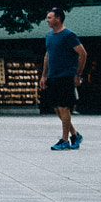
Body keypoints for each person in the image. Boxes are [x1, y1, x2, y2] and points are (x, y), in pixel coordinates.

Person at [40, 8, 87, 148]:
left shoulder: (68, 35)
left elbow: (83, 54)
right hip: (53, 75)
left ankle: (65, 140)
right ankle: (75, 134)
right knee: (57, 107)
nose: (47, 20)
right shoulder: (49, 36)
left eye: (49, 17)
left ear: (58, 19)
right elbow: (47, 55)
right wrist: (44, 75)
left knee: (64, 106)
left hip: (66, 75)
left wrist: (78, 74)